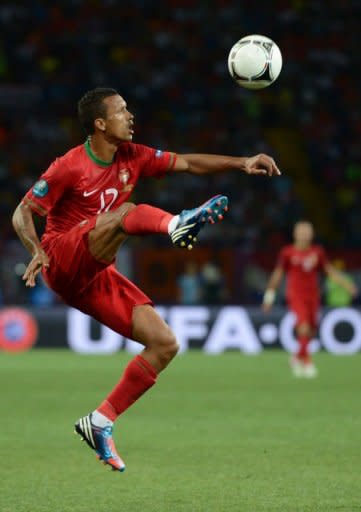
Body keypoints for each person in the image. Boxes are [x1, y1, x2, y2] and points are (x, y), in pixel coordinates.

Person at [12, 87, 280, 472]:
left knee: (165, 344)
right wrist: (35, 249)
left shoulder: (133, 157)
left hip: (96, 272)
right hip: (61, 258)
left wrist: (242, 163)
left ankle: (100, 421)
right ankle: (176, 223)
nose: (130, 115)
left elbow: (187, 164)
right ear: (100, 124)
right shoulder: (69, 165)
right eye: (121, 111)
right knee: (125, 213)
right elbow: (22, 213)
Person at [262, 221, 357, 378]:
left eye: (308, 232)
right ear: (295, 234)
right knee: (304, 327)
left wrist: (347, 285)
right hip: (295, 295)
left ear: (312, 234)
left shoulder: (317, 252)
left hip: (313, 296)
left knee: (311, 331)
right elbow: (277, 275)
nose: (305, 235)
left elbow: (329, 271)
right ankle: (307, 362)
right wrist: (268, 298)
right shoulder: (288, 253)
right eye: (302, 232)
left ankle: (297, 356)